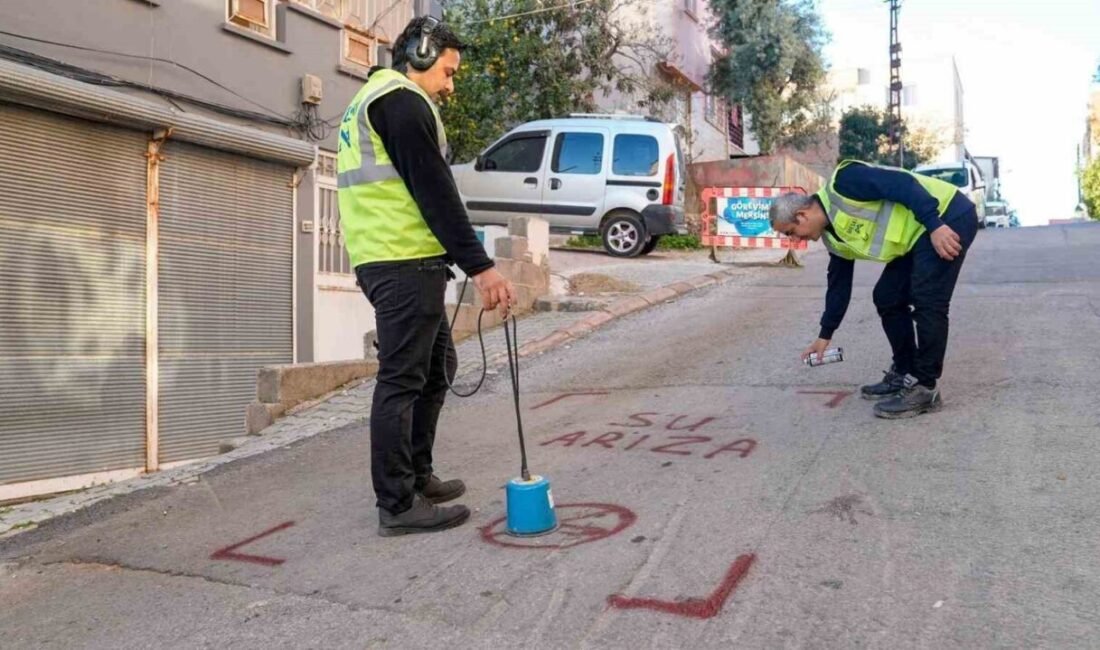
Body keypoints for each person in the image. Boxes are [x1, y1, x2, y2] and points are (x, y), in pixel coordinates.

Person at [337, 16, 516, 536]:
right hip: (401, 261)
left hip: (396, 258)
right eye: (447, 71)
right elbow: (435, 191)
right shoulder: (401, 103)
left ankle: (417, 475)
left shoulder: (372, 100)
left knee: (438, 366)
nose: (450, 85)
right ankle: (396, 503)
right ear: (418, 54)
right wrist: (481, 267)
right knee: (402, 378)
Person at [768, 159, 979, 419]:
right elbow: (838, 286)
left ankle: (926, 387)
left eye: (791, 232)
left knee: (928, 300)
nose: (794, 240)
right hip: (915, 237)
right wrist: (825, 334)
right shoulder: (832, 237)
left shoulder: (845, 182)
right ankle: (904, 372)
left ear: (801, 215)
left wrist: (935, 225)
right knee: (887, 297)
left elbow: (903, 183)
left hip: (946, 216)